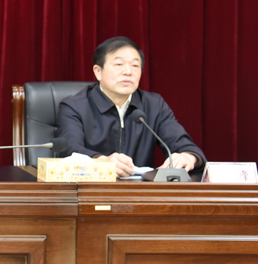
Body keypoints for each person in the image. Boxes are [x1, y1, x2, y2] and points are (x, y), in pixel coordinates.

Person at [56, 36, 205, 177]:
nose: (128, 72)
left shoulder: (153, 105)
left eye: (135, 66)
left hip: (140, 190)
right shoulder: (75, 106)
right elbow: (68, 149)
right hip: (91, 189)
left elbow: (185, 146)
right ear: (98, 72)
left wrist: (188, 157)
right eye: (119, 65)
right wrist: (102, 161)